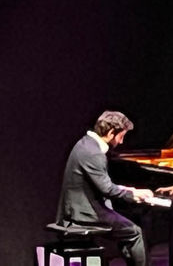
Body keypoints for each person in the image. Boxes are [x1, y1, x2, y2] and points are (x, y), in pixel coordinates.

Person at [56, 111, 154, 266]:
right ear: (110, 133)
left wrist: (132, 191)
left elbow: (103, 184)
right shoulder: (93, 153)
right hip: (83, 214)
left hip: (79, 209)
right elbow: (107, 189)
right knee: (134, 232)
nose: (121, 142)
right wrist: (134, 195)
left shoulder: (85, 144)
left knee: (127, 226)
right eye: (121, 136)